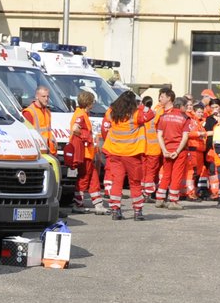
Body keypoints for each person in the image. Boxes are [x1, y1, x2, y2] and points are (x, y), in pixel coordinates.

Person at [100, 89, 154, 220]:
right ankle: (137, 212)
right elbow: (150, 114)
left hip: (114, 153)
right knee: (135, 183)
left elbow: (105, 126)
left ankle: (115, 210)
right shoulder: (136, 115)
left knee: (116, 182)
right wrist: (143, 106)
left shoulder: (111, 113)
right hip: (132, 153)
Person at [154, 95, 192, 208]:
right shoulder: (185, 118)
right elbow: (185, 138)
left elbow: (159, 135)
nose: (187, 109)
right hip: (179, 151)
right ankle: (173, 201)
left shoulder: (164, 116)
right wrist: (177, 151)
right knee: (176, 175)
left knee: (166, 174)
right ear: (181, 106)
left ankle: (160, 199)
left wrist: (164, 150)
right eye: (186, 106)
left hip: (167, 149)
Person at [68, 88, 102, 211]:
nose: (93, 104)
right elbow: (75, 128)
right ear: (88, 103)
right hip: (85, 153)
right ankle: (78, 204)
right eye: (92, 102)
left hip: (87, 153)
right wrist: (85, 136)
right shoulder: (81, 115)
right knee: (84, 178)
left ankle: (98, 204)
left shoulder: (82, 114)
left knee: (93, 178)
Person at [22, 85, 55, 155]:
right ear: (37, 97)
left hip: (49, 151)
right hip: (38, 151)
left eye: (47, 96)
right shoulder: (29, 112)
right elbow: (27, 135)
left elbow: (48, 131)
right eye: (43, 96)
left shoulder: (47, 112)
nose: (46, 99)